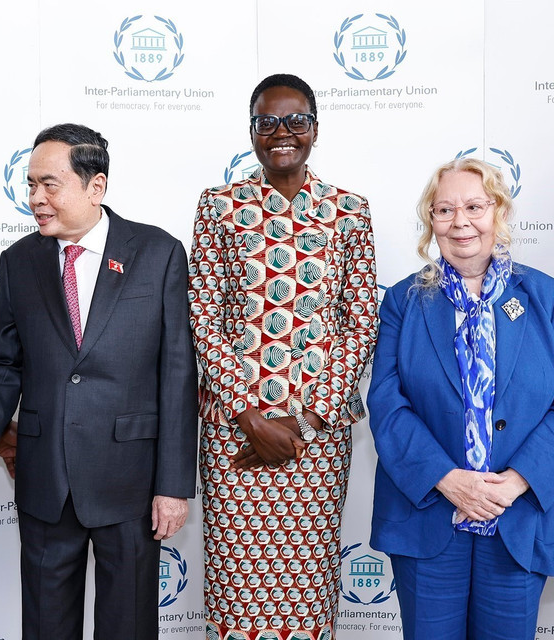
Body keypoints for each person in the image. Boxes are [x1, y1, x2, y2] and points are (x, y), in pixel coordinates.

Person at [0, 123, 198, 639]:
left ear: (96, 187)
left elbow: (178, 374)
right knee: (46, 626)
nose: (36, 199)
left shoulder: (158, 253)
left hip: (131, 482)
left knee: (128, 627)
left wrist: (173, 486)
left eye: (50, 184)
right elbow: (4, 365)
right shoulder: (18, 262)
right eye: (30, 185)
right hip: (45, 479)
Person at [188, 73, 379, 640]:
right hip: (235, 434)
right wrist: (250, 415)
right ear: (251, 132)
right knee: (237, 590)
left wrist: (305, 419)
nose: (281, 133)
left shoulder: (349, 211)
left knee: (308, 593)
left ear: (315, 129)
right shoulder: (219, 206)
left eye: (295, 120)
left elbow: (360, 320)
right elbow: (204, 313)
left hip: (314, 440)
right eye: (266, 122)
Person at [368, 158, 554, 639]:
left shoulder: (551, 298)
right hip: (430, 517)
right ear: (430, 220)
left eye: (474, 206)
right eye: (444, 210)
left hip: (516, 520)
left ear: (497, 211)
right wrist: (447, 479)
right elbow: (387, 402)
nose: (460, 222)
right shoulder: (402, 301)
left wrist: (518, 482)